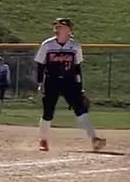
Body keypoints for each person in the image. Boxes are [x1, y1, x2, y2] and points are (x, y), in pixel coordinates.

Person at [34, 18, 106, 153]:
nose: (57, 29)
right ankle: (43, 140)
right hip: (52, 81)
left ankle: (94, 138)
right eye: (56, 26)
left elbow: (77, 68)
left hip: (70, 82)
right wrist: (40, 82)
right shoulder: (47, 45)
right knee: (48, 111)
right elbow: (40, 65)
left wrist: (80, 86)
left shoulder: (75, 46)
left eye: (60, 26)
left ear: (68, 29)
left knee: (81, 109)